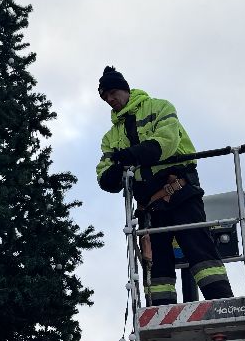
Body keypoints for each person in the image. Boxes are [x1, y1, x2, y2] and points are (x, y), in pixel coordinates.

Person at [95, 67, 234, 312]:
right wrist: (115, 171)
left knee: (200, 251)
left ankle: (224, 306)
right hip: (149, 206)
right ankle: (161, 315)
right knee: (157, 266)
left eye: (113, 92)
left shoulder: (159, 107)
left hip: (180, 192)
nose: (110, 99)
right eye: (105, 97)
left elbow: (167, 142)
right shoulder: (110, 137)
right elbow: (105, 177)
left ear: (126, 90)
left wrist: (130, 156)